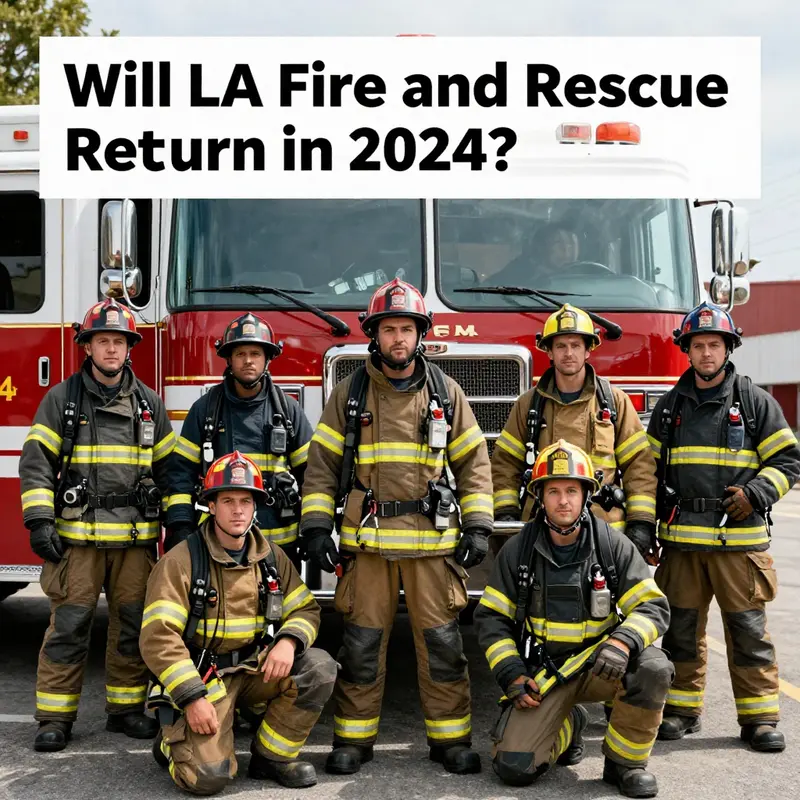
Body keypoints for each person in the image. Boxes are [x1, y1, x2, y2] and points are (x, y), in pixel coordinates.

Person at [299, 277, 494, 776]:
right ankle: (353, 740)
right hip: (369, 547)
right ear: (375, 335)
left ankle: (451, 741)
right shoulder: (350, 393)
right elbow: (321, 466)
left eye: (406, 328)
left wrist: (477, 526)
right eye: (389, 329)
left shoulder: (447, 394)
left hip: (431, 547)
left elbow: (474, 464)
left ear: (420, 334)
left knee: (444, 646)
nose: (398, 339)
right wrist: (318, 528)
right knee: (361, 645)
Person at [19, 298, 175, 752]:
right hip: (79, 542)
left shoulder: (149, 404)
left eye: (119, 341)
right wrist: (39, 520)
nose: (111, 349)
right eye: (102, 340)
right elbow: (36, 464)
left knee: (131, 627)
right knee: (68, 626)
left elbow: (171, 472)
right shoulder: (62, 400)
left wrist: (178, 524)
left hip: (134, 542)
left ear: (130, 349)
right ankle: (55, 717)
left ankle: (124, 711)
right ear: (87, 347)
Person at [475, 439, 672, 798]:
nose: (563, 500)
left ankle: (624, 764)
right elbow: (491, 619)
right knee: (513, 768)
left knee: (653, 668)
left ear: (586, 495)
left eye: (571, 490)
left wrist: (622, 641)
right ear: (540, 496)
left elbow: (652, 607)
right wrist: (512, 673)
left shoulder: (613, 546)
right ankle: (571, 723)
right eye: (553, 491)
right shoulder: (518, 551)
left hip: (604, 665)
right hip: (549, 674)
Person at [647, 301, 800, 751]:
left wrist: (756, 493)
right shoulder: (670, 407)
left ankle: (759, 719)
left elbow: (788, 460)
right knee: (681, 634)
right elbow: (648, 471)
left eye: (715, 344)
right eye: (698, 345)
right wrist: (646, 528)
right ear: (687, 351)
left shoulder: (755, 403)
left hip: (740, 545)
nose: (707, 353)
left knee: (748, 633)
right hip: (681, 544)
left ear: (728, 348)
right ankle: (680, 710)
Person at [140, 451, 337, 794]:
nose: (237, 509)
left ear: (255, 507)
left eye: (246, 501)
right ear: (211, 506)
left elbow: (305, 609)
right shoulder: (181, 561)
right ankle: (169, 741)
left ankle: (271, 757)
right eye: (227, 500)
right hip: (206, 678)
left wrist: (288, 642)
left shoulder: (271, 557)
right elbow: (159, 638)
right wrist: (191, 698)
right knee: (208, 778)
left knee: (318, 667)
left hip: (255, 668)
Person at [492, 303, 658, 561]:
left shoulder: (614, 402)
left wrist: (641, 522)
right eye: (560, 346)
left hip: (603, 532)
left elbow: (640, 467)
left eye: (576, 345)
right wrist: (506, 514)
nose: (568, 353)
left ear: (588, 350)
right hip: (541, 532)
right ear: (548, 351)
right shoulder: (528, 405)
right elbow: (504, 465)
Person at [164, 312, 313, 569]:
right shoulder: (205, 410)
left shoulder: (288, 412)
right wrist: (179, 524)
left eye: (255, 354)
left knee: (282, 608)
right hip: (219, 543)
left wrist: (314, 528)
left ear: (267, 359)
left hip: (278, 544)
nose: (248, 361)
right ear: (228, 359)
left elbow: (311, 475)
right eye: (240, 354)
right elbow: (180, 475)